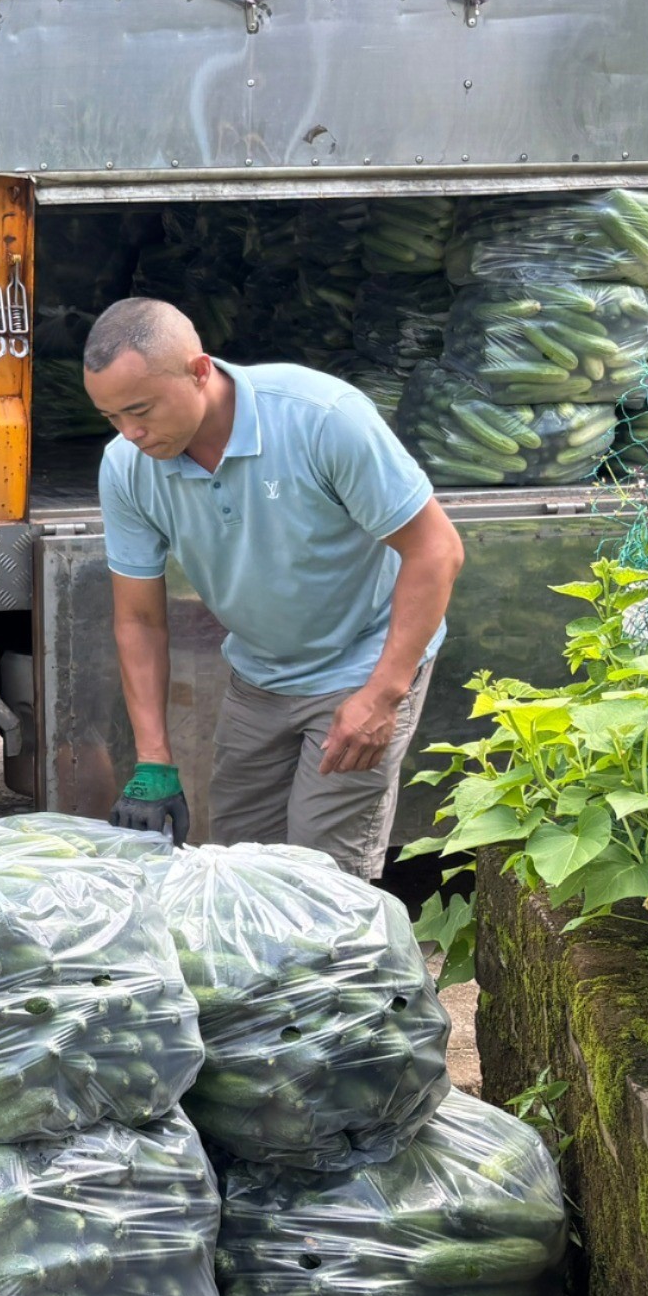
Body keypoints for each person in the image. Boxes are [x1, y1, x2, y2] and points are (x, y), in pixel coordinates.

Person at [82, 298, 464, 880]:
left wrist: (383, 693)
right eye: (111, 417)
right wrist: (154, 758)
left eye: (140, 410)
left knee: (319, 877)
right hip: (259, 676)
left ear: (199, 370)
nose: (130, 433)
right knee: (238, 869)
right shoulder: (127, 467)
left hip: (360, 663)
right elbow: (138, 619)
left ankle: (347, 972)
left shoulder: (321, 417)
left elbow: (436, 549)